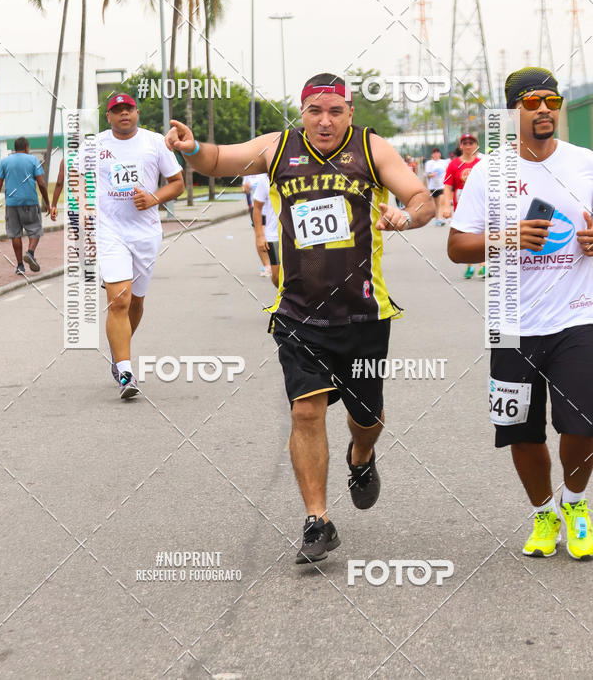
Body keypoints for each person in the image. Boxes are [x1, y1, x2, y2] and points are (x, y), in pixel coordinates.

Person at [165, 73, 435, 563]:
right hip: (298, 312)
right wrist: (191, 146)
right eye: (315, 110)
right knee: (305, 411)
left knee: (365, 417)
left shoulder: (372, 149)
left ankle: (362, 455)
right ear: (302, 113)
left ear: (350, 112)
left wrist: (407, 215)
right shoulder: (277, 147)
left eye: (335, 110)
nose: (325, 120)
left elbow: (422, 199)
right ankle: (317, 520)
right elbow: (218, 160)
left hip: (364, 313)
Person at [448, 66, 593, 559]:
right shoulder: (490, 172)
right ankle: (542, 514)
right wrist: (506, 237)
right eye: (532, 102)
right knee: (521, 430)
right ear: (512, 113)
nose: (545, 109)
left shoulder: (585, 164)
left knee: (582, 423)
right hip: (511, 322)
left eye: (551, 101)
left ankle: (574, 504)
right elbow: (456, 247)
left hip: (578, 314)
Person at [77, 93, 183, 398]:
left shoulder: (155, 143)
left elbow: (177, 183)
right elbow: (73, 175)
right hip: (109, 231)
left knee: (136, 302)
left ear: (137, 112)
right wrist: (82, 206)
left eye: (129, 109)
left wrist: (154, 198)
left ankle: (118, 348)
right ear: (108, 116)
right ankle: (125, 372)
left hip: (146, 233)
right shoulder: (94, 145)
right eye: (117, 110)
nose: (124, 114)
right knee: (119, 300)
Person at [0, 137, 50, 275]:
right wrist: (47, 202)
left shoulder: (4, 162)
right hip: (30, 201)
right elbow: (41, 183)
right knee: (35, 229)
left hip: (11, 203)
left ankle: (19, 266)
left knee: (15, 234)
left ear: (15, 148)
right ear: (26, 147)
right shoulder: (33, 160)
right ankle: (30, 253)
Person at [443, 132, 485, 278]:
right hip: (461, 207)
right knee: (466, 236)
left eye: (471, 143)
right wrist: (446, 207)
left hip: (481, 204)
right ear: (460, 146)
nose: (468, 146)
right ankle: (470, 267)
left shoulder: (483, 162)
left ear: (477, 145)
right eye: (465, 143)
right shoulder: (453, 164)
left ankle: (483, 265)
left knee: (481, 234)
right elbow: (448, 187)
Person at [253, 172, 279, 286]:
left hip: (296, 234)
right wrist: (259, 236)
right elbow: (257, 208)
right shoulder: (265, 179)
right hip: (274, 235)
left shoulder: (299, 172)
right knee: (277, 277)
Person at [424, 147, 447, 225]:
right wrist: (432, 175)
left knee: (441, 202)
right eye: (434, 153)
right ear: (432, 155)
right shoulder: (429, 163)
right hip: (433, 186)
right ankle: (437, 219)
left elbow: (448, 172)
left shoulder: (444, 162)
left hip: (442, 185)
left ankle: (441, 218)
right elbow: (427, 174)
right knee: (437, 205)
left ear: (440, 154)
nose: (436, 154)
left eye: (437, 152)